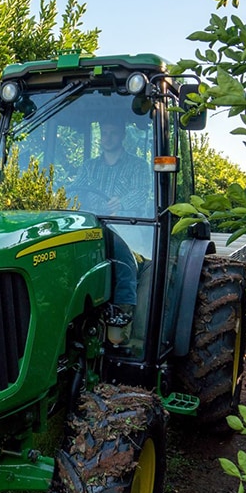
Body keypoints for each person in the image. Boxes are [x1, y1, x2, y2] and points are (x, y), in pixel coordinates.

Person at [70, 118, 151, 344]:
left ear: (122, 135)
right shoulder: (89, 167)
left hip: (127, 227)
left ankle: (123, 317)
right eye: (104, 133)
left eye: (113, 133)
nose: (108, 138)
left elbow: (142, 193)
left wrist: (122, 203)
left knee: (122, 258)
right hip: (93, 226)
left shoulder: (137, 166)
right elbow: (75, 192)